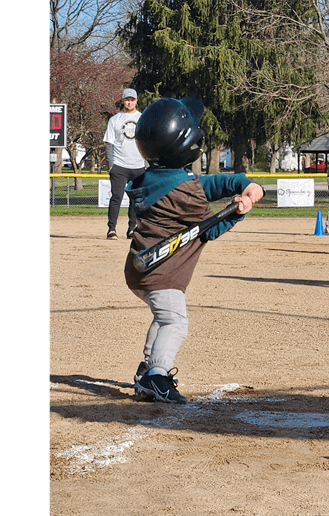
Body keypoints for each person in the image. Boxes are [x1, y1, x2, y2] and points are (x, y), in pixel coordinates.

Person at [123, 97, 265, 404]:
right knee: (175, 321)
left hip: (140, 270)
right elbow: (209, 228)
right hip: (163, 273)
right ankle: (157, 376)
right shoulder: (185, 194)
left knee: (163, 317)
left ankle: (147, 370)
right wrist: (238, 212)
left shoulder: (156, 180)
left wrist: (242, 182)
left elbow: (204, 184)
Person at [103, 88, 147, 240]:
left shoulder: (143, 118)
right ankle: (112, 229)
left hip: (138, 166)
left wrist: (147, 163)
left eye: (132, 99)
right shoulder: (115, 120)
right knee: (117, 197)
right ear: (122, 101)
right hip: (119, 166)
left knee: (135, 199)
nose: (130, 102)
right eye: (127, 99)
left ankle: (131, 229)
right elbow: (108, 143)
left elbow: (148, 141)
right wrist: (110, 165)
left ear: (136, 101)